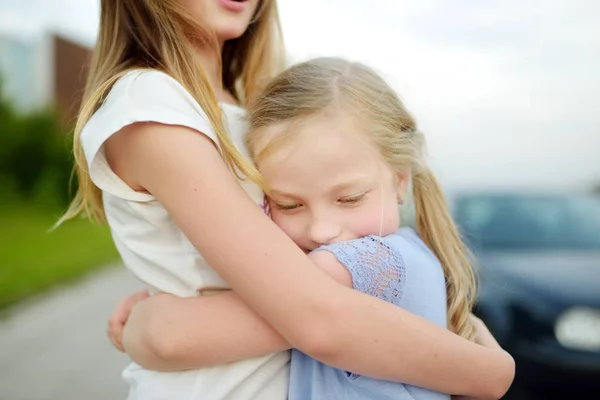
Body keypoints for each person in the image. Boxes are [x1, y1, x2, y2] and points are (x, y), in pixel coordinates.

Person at [61, 0, 514, 398]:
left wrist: (161, 314)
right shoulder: (153, 100)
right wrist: (490, 370)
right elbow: (315, 312)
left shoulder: (241, 107)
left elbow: (236, 274)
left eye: (349, 198)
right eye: (290, 205)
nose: (321, 229)